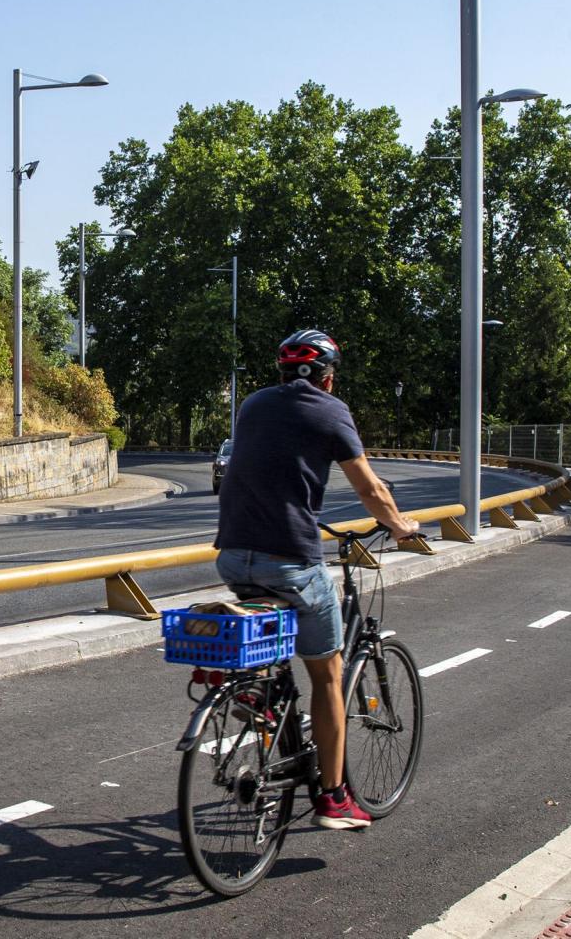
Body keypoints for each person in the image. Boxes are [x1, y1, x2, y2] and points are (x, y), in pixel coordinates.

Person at [213, 328, 420, 830]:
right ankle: (333, 798)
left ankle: (257, 693)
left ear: (283, 372)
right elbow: (370, 487)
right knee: (327, 675)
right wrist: (400, 525)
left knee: (272, 627)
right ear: (328, 378)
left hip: (232, 555)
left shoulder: (255, 404)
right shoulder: (332, 410)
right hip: (289, 560)